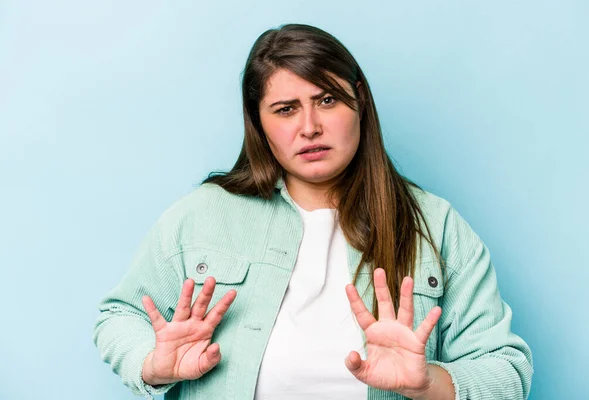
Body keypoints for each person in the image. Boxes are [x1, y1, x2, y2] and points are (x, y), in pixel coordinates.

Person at [93, 23, 533, 400]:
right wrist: (153, 364)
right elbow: (118, 316)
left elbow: (507, 369)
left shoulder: (434, 226)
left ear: (359, 100)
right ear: (259, 123)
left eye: (327, 100)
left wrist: (429, 384)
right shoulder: (204, 215)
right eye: (285, 110)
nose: (309, 127)